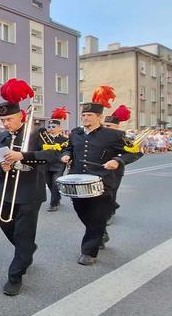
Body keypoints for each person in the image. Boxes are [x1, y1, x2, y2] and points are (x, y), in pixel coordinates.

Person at [60, 86, 141, 266]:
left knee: (97, 216)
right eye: (84, 115)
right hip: (77, 181)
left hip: (103, 181)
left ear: (99, 118)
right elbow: (69, 148)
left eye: (90, 115)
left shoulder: (114, 134)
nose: (86, 118)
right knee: (82, 212)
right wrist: (65, 155)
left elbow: (135, 151)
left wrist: (117, 160)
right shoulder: (76, 133)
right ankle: (100, 231)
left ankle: (89, 251)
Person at [0, 79, 56, 296]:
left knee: (24, 234)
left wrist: (23, 156)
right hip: (7, 192)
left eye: (9, 119)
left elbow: (52, 155)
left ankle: (15, 276)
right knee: (5, 226)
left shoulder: (37, 132)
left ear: (20, 115)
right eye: (3, 119)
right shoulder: (0, 137)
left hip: (29, 193)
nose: (6, 123)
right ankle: (26, 251)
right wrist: (3, 167)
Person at [102, 105, 136, 224]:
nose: (107, 128)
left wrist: (118, 160)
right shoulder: (100, 136)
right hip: (100, 169)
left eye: (109, 126)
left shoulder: (122, 137)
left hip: (115, 170)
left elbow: (135, 152)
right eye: (105, 125)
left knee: (111, 191)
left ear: (117, 127)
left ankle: (108, 214)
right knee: (102, 193)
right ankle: (111, 206)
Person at [42, 108, 70, 212]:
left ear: (59, 128)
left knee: (55, 183)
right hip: (46, 164)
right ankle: (57, 197)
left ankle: (53, 204)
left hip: (58, 164)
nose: (51, 128)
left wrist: (65, 156)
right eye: (49, 126)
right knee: (49, 183)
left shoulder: (64, 139)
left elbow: (67, 150)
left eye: (53, 126)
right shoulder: (44, 138)